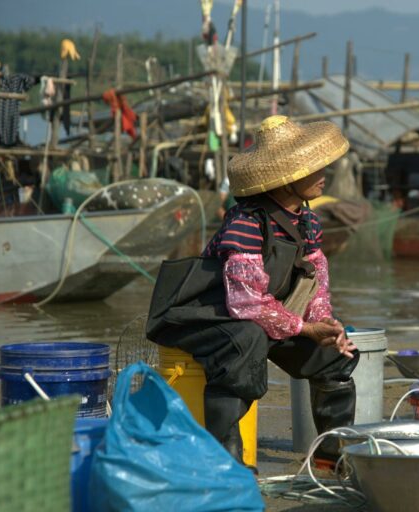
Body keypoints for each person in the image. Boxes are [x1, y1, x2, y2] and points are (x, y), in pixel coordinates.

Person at [146, 115, 359, 465]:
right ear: (285, 179)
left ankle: (332, 455)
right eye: (312, 168)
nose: (324, 174)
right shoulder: (246, 223)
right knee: (245, 342)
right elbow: (246, 304)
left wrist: (324, 325)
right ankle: (227, 463)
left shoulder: (308, 221)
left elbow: (315, 281)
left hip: (262, 316)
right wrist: (304, 328)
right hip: (198, 316)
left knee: (336, 353)